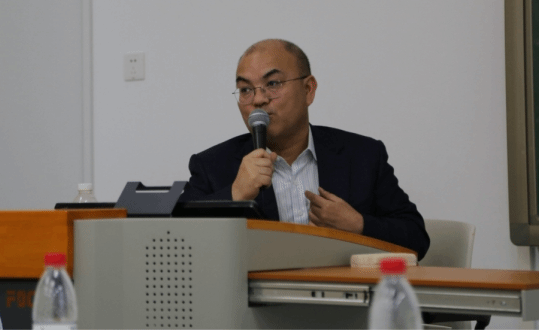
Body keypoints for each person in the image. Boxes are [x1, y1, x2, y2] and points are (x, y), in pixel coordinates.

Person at [180, 39, 430, 260]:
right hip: (257, 299)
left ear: (308, 89)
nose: (258, 99)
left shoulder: (363, 156)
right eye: (246, 89)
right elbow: (176, 245)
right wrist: (235, 194)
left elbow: (417, 238)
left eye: (272, 83)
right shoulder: (213, 165)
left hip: (341, 295)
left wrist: (358, 224)